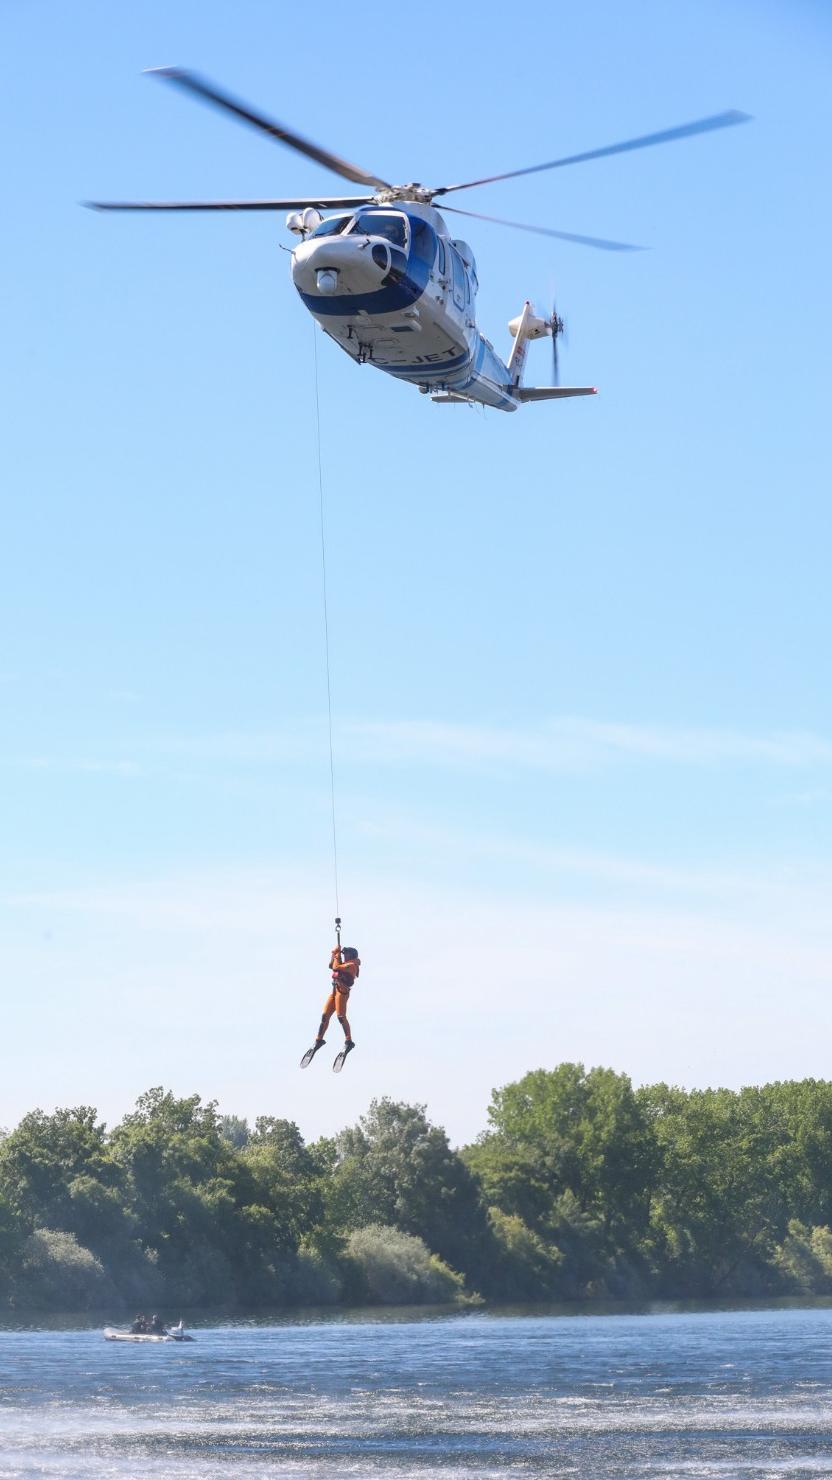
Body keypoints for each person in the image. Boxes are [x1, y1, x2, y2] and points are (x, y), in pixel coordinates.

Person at [312, 942, 360, 1056]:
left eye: (346, 954)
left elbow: (335, 967)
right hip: (334, 992)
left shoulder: (351, 966)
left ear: (351, 955)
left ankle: (348, 1041)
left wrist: (337, 955)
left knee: (341, 1017)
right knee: (325, 1016)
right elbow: (331, 965)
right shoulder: (344, 963)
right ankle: (319, 1039)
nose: (344, 955)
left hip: (342, 993)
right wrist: (334, 954)